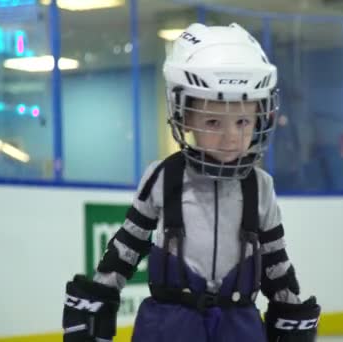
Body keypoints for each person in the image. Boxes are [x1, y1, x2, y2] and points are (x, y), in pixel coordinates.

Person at [62, 22, 321, 342]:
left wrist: (290, 309)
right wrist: (97, 298)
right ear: (184, 117)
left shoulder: (260, 186)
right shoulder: (163, 176)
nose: (230, 137)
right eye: (213, 121)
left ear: (260, 116)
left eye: (242, 121)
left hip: (238, 326)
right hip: (169, 325)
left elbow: (275, 260)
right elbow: (127, 246)